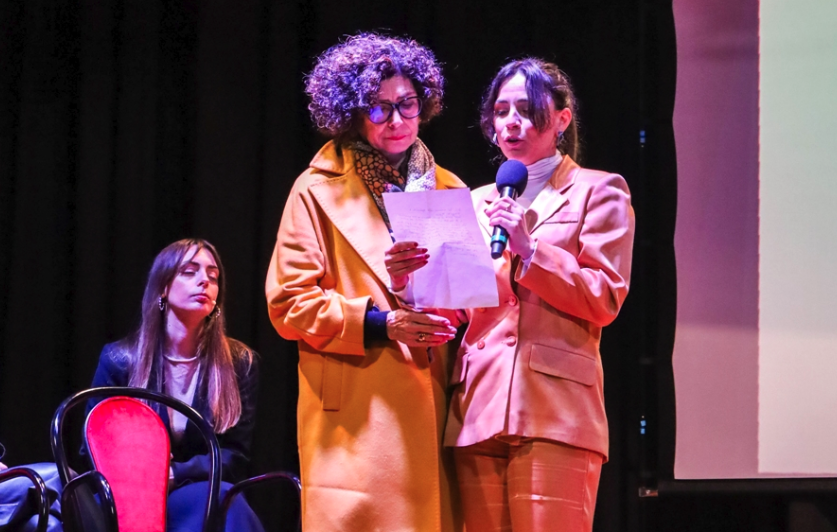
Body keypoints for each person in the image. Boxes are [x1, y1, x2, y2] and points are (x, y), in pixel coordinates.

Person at [388, 58, 635, 531]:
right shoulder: (473, 200)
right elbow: (454, 310)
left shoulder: (600, 191)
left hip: (556, 412)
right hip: (477, 409)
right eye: (501, 111)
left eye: (526, 109)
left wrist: (530, 249)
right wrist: (405, 283)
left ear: (561, 119)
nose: (511, 122)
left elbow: (603, 297)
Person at [265, 33, 464, 532]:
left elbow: (466, 302)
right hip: (355, 404)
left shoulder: (447, 188)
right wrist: (380, 323)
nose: (396, 120)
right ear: (352, 113)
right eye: (378, 108)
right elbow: (289, 303)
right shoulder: (315, 188)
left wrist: (428, 295)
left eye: (407, 104)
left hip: (433, 399)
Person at [88, 238, 263, 532]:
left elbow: (235, 456)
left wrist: (175, 473)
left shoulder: (240, 363)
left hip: (198, 489)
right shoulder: (120, 360)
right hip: (130, 493)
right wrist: (150, 474)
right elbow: (92, 446)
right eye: (189, 272)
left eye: (213, 276)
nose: (204, 281)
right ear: (163, 287)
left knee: (224, 500)